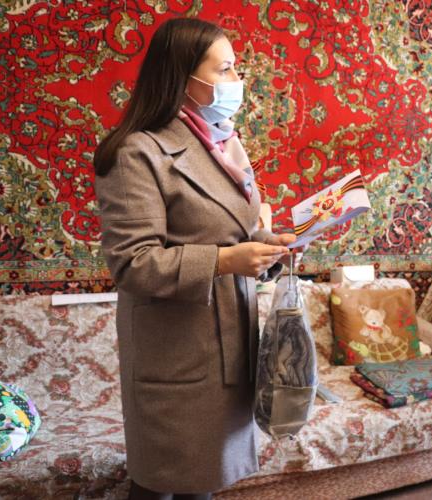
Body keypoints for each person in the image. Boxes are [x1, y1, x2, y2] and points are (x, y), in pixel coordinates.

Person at [94, 18, 298, 499]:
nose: (236, 81)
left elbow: (230, 231)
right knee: (162, 482)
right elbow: (133, 263)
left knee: (204, 479)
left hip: (232, 341)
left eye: (235, 68)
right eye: (224, 70)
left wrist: (269, 247)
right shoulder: (135, 153)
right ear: (182, 76)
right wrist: (226, 262)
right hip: (177, 350)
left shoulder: (222, 141)